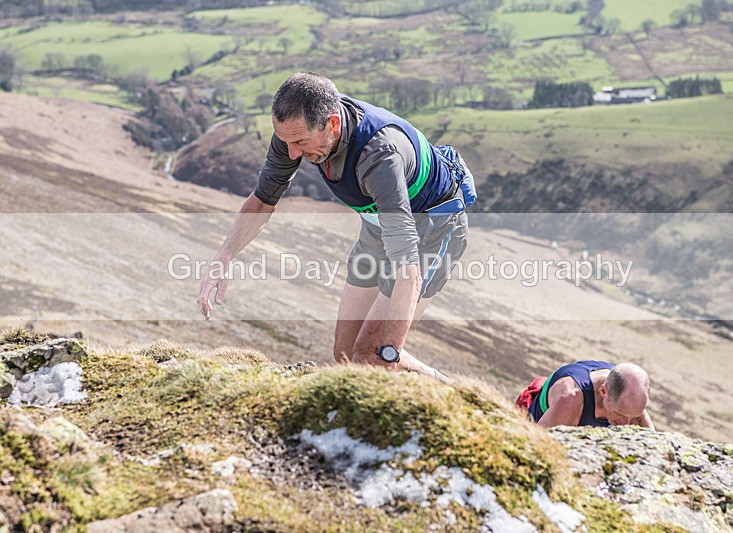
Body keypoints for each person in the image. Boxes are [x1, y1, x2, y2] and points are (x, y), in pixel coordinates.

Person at [196, 72, 476, 381]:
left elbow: (407, 267)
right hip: (378, 226)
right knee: (346, 354)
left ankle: (458, 394)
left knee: (373, 356)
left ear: (332, 124)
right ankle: (433, 382)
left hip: (432, 228)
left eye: (300, 142)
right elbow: (263, 200)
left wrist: (390, 352)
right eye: (286, 141)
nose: (292, 154)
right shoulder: (294, 130)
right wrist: (224, 256)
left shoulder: (378, 157)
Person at [516, 361, 655, 430]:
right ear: (603, 391)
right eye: (619, 414)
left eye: (632, 416)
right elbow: (537, 443)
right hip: (535, 423)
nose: (626, 424)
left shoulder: (628, 397)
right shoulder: (570, 400)